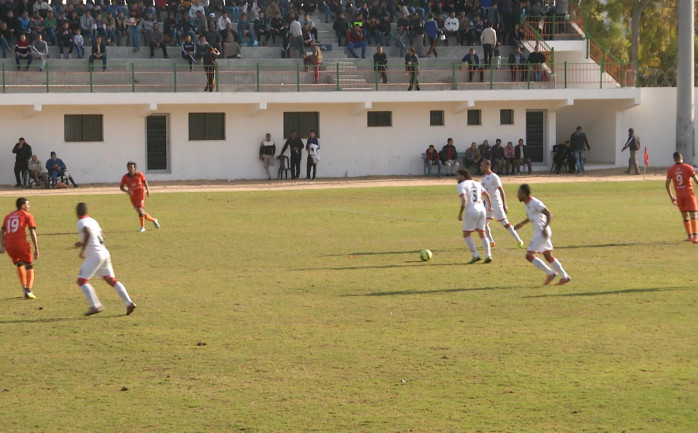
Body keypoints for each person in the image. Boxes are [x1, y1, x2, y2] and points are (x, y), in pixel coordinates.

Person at [74, 202, 137, 316]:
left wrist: (84, 249)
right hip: (104, 252)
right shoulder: (93, 220)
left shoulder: (81, 222)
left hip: (95, 255)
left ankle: (95, 305)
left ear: (77, 213)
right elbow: (102, 234)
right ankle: (129, 303)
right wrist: (86, 243)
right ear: (87, 212)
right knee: (111, 279)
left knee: (81, 281)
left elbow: (88, 232)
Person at [514, 183, 572, 285]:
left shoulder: (535, 202)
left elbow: (549, 214)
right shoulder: (527, 204)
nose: (517, 194)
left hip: (541, 232)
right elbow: (532, 216)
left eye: (519, 192)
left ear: (524, 193)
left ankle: (550, 273)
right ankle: (565, 277)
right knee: (548, 256)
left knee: (529, 255)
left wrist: (544, 228)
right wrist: (521, 224)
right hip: (541, 231)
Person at [0, 198, 39, 299]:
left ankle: (24, 287)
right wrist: (36, 248)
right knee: (29, 265)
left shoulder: (8, 216)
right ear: (22, 206)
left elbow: (2, 231)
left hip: (9, 244)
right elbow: (32, 231)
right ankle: (28, 290)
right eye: (27, 204)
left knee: (19, 263)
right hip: (20, 243)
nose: (29, 206)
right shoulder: (27, 215)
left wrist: (2, 245)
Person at [480, 159, 524, 248]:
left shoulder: (494, 177)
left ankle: (519, 240)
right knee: (483, 223)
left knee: (505, 223)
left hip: (496, 204)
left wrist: (504, 204)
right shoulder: (484, 178)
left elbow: (501, 190)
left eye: (482, 165)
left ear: (488, 166)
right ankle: (491, 241)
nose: (480, 167)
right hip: (487, 204)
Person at [457, 168, 493, 264]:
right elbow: (487, 195)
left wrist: (460, 213)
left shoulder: (461, 185)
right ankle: (488, 255)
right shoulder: (477, 183)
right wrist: (490, 207)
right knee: (482, 233)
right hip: (482, 209)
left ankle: (475, 255)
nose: (457, 177)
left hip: (471, 210)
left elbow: (464, 199)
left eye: (458, 175)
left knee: (466, 234)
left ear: (463, 176)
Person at [665, 151, 698, 243]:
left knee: (685, 215)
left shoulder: (671, 170)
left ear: (674, 159)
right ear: (682, 157)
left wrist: (672, 197)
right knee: (693, 214)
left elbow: (667, 184)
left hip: (679, 195)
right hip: (689, 194)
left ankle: (689, 236)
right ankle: (696, 237)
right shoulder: (688, 167)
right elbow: (696, 180)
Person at [120, 161, 160, 233]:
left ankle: (142, 227)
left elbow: (145, 182)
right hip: (132, 196)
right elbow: (121, 187)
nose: (130, 169)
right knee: (141, 212)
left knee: (140, 210)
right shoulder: (125, 177)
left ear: (135, 168)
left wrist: (148, 190)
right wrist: (127, 190)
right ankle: (154, 220)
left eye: (131, 167)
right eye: (128, 167)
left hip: (140, 194)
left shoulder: (140, 174)